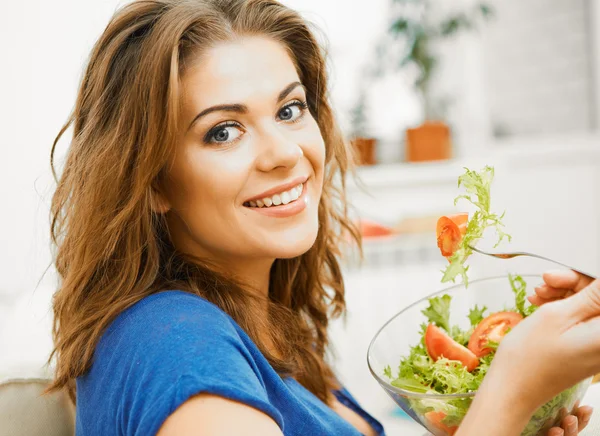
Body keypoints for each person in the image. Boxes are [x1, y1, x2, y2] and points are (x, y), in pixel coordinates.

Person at [45, 0, 598, 435]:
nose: (284, 152)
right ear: (152, 182)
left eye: (290, 110)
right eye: (223, 130)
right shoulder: (175, 346)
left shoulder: (262, 328)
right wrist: (512, 389)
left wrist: (492, 414)